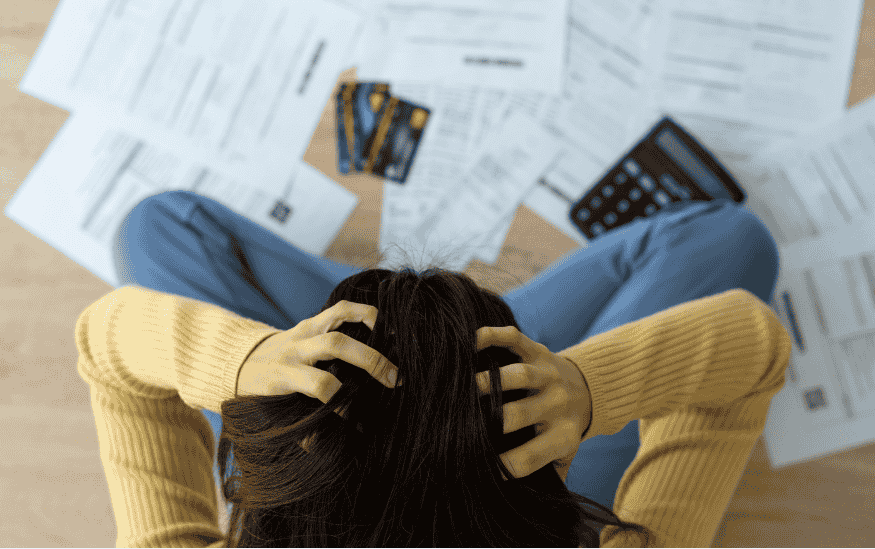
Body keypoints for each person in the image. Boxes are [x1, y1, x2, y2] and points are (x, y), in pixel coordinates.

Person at [74, 189, 792, 547]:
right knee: (730, 238)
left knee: (157, 226)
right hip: (510, 420)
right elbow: (755, 347)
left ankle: (419, 345)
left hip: (431, 427)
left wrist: (246, 361)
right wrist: (586, 388)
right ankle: (429, 344)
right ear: (556, 500)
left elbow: (106, 350)